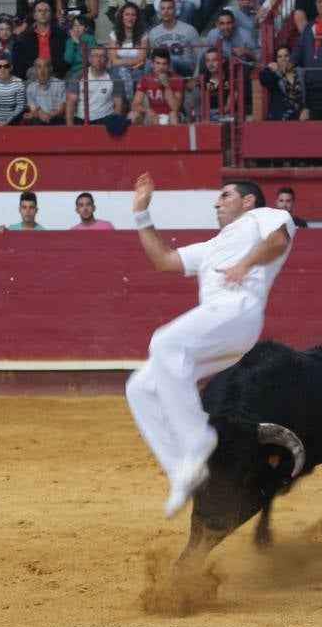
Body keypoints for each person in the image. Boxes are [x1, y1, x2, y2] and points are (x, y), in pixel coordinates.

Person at [125, 172, 296, 517]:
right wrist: (142, 214)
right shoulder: (211, 247)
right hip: (220, 325)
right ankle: (183, 471)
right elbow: (164, 261)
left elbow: (278, 242)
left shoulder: (264, 217)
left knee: (164, 342)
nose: (217, 202)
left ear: (248, 201)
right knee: (140, 387)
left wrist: (245, 263)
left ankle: (197, 441)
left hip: (238, 311)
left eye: (225, 196)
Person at [24, 56, 67, 123]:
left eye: (45, 66)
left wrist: (47, 115)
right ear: (35, 70)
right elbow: (33, 110)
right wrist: (40, 114)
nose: (42, 70)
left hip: (55, 119)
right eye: (39, 67)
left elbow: (60, 111)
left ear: (50, 69)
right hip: (38, 119)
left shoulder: (60, 84)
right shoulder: (30, 87)